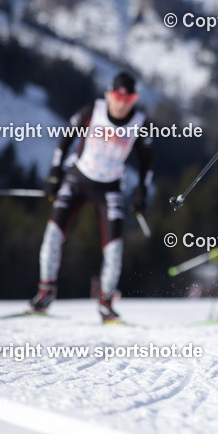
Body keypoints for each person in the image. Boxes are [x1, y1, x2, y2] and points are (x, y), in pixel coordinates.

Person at [29, 72, 153, 323]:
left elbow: (147, 163)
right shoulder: (91, 112)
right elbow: (65, 141)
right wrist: (55, 173)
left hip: (110, 187)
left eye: (130, 98)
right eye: (118, 96)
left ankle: (106, 302)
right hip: (78, 179)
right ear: (109, 95)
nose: (122, 103)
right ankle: (45, 292)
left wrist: (142, 191)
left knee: (114, 248)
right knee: (52, 235)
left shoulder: (140, 123)